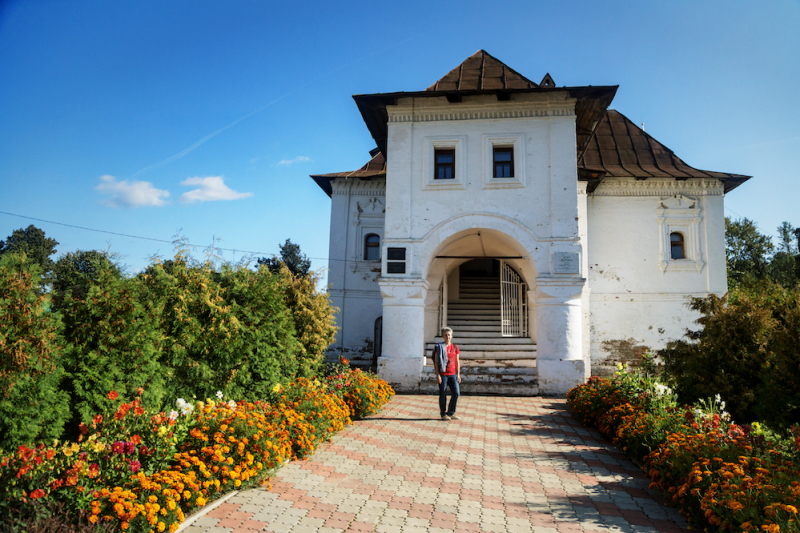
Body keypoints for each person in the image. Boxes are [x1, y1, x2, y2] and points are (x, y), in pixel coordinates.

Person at [433, 327, 460, 421]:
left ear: (452, 336)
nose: (447, 336)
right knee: (443, 393)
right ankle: (443, 414)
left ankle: (451, 412)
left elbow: (457, 361)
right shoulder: (439, 347)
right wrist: (437, 375)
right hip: (443, 374)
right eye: (446, 335)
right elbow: (436, 362)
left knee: (456, 393)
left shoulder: (455, 347)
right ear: (443, 336)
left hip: (452, 374)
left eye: (449, 334)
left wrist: (458, 374)